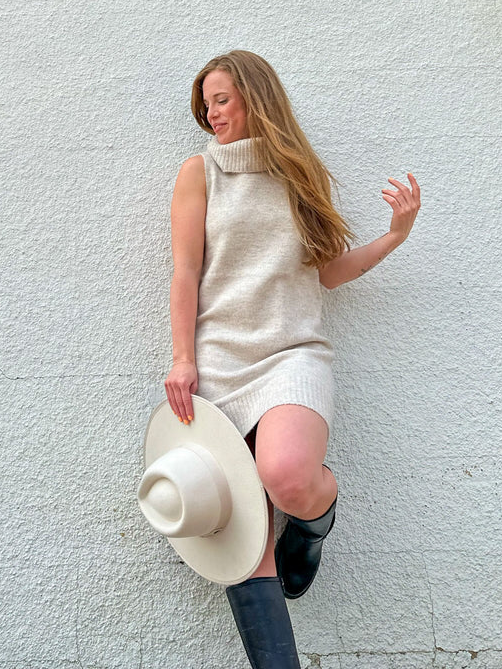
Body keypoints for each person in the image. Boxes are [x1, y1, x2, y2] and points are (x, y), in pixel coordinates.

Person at [164, 50, 420, 669]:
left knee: (287, 476)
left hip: (290, 354)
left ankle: (314, 521)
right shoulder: (199, 173)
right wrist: (182, 358)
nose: (211, 113)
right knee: (243, 536)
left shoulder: (301, 173)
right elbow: (186, 271)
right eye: (206, 104)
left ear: (256, 98)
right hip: (219, 362)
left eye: (222, 99)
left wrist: (393, 237)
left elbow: (325, 272)